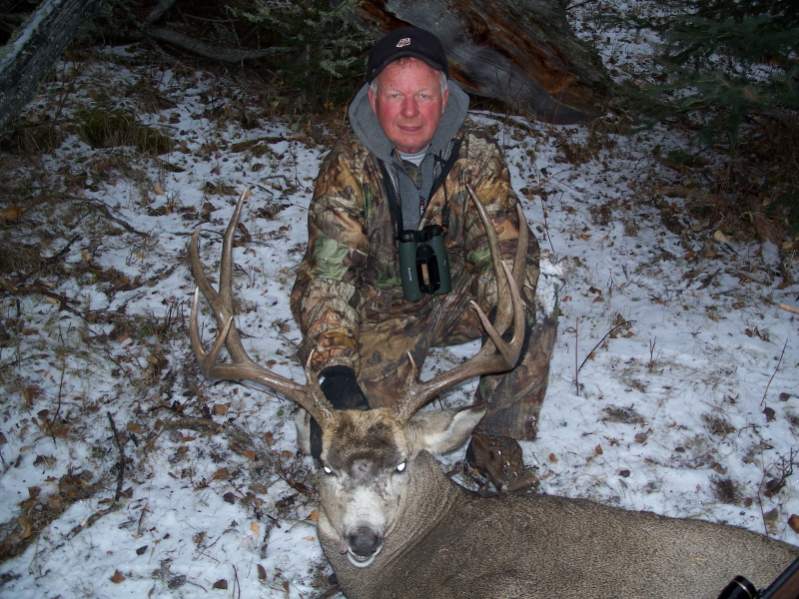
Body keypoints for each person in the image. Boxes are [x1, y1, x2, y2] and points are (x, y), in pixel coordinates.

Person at [290, 26, 557, 486]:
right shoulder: (347, 168)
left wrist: (512, 314)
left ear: (445, 96)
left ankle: (494, 436)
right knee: (364, 433)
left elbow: (504, 249)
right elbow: (327, 278)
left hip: (457, 299)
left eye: (423, 96)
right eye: (395, 95)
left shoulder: (477, 157)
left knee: (537, 293)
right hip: (381, 314)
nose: (410, 112)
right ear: (373, 100)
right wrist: (335, 370)